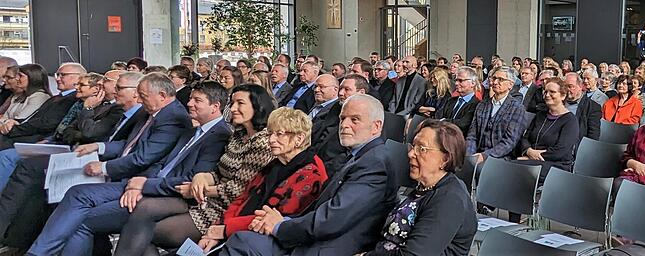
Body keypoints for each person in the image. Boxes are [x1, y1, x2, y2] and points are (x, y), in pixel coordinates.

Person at [30, 81, 232, 256]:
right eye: (191, 98)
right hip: (145, 184)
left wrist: (144, 185)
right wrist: (138, 185)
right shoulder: (192, 130)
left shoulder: (218, 136)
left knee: (82, 219)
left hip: (167, 196)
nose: (189, 103)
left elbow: (190, 179)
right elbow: (163, 163)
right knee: (77, 197)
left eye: (197, 100)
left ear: (215, 107)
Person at [218, 94, 399, 256]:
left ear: (376, 127)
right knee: (243, 240)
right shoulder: (360, 156)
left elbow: (331, 219)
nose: (344, 125)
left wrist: (280, 225)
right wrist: (281, 221)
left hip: (329, 245)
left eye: (355, 120)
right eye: (342, 118)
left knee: (242, 242)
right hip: (316, 234)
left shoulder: (374, 163)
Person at [110, 84, 276, 255]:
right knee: (143, 217)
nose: (233, 108)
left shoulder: (262, 142)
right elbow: (219, 173)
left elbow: (238, 190)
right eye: (232, 103)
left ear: (257, 106)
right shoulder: (238, 135)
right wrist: (202, 178)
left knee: (144, 232)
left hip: (226, 209)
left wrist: (198, 189)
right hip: (205, 199)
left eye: (240, 103)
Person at [0, 71, 139, 250]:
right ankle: (17, 241)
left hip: (95, 160)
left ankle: (22, 243)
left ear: (135, 92)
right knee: (37, 184)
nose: (103, 85)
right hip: (78, 150)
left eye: (113, 83)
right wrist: (83, 129)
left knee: (32, 171)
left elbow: (91, 134)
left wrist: (87, 112)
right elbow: (67, 130)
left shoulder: (115, 109)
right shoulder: (103, 104)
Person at [364, 120, 477, 255]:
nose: (411, 154)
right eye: (413, 147)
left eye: (421, 149)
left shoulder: (450, 199)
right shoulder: (425, 186)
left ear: (445, 159)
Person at [0, 62, 84, 150]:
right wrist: (14, 123)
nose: (58, 79)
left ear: (79, 77)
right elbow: (34, 118)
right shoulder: (59, 97)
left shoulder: (72, 99)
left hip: (39, 138)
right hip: (26, 133)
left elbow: (47, 123)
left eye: (63, 75)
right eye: (57, 75)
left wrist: (13, 129)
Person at [517, 78, 580, 180]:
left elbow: (560, 150)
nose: (547, 95)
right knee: (508, 166)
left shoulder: (570, 121)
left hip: (556, 165)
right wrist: (528, 151)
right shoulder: (540, 115)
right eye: (545, 91)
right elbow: (525, 138)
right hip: (532, 160)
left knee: (514, 169)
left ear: (563, 96)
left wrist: (532, 158)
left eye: (552, 92)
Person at [465, 67, 527, 163]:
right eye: (494, 78)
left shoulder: (517, 108)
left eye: (501, 79)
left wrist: (484, 156)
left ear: (510, 85)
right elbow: (472, 135)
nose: (495, 82)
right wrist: (469, 155)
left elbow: (509, 142)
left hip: (501, 157)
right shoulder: (482, 105)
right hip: (477, 153)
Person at [0, 63, 52, 132]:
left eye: (20, 76)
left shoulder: (39, 97)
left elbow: (19, 122)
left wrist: (6, 121)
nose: (17, 78)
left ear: (32, 78)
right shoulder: (17, 96)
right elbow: (4, 118)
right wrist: (6, 121)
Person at [438, 66, 480, 136]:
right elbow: (438, 116)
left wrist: (444, 121)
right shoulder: (450, 100)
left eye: (461, 80)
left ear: (473, 83)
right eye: (456, 80)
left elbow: (463, 124)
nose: (456, 83)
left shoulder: (477, 104)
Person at [564, 72, 601, 144]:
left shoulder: (592, 107)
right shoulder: (559, 103)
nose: (567, 90)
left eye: (571, 86)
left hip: (576, 146)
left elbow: (593, 137)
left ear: (580, 86)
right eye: (565, 87)